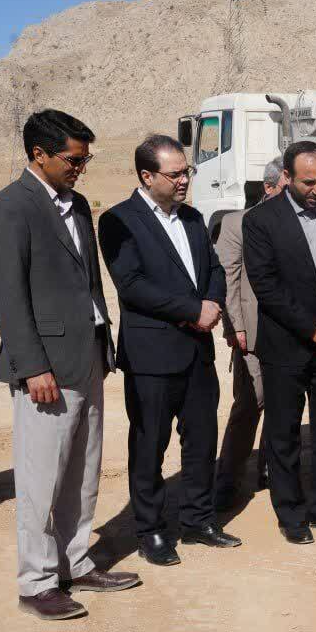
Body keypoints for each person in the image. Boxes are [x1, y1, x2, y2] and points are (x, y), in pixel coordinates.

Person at [0, 109, 139, 619]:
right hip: (45, 367)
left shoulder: (77, 205)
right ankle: (36, 582)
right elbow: (8, 297)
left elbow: (87, 282)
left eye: (85, 159)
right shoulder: (10, 207)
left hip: (87, 354)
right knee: (41, 479)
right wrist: (32, 366)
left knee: (83, 469)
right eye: (73, 160)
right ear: (39, 155)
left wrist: (103, 344)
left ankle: (75, 561)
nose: (81, 168)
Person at [99, 134, 239, 566]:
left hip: (197, 351)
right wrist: (192, 310)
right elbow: (132, 285)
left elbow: (214, 268)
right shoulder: (118, 220)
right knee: (149, 447)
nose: (184, 180)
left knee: (201, 441)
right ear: (147, 176)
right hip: (152, 356)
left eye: (187, 171)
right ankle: (152, 531)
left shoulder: (194, 218)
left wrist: (211, 303)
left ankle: (198, 520)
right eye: (175, 174)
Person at [243, 141, 316, 544]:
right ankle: (291, 514)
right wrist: (310, 326)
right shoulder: (261, 221)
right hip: (285, 347)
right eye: (308, 182)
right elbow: (266, 285)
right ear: (287, 177)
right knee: (284, 433)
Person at [213, 156, 285, 510]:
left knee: (283, 403)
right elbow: (227, 278)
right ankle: (228, 477)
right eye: (287, 186)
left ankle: (272, 470)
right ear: (269, 187)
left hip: (291, 332)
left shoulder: (304, 222)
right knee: (251, 402)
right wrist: (235, 326)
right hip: (252, 333)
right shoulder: (236, 223)